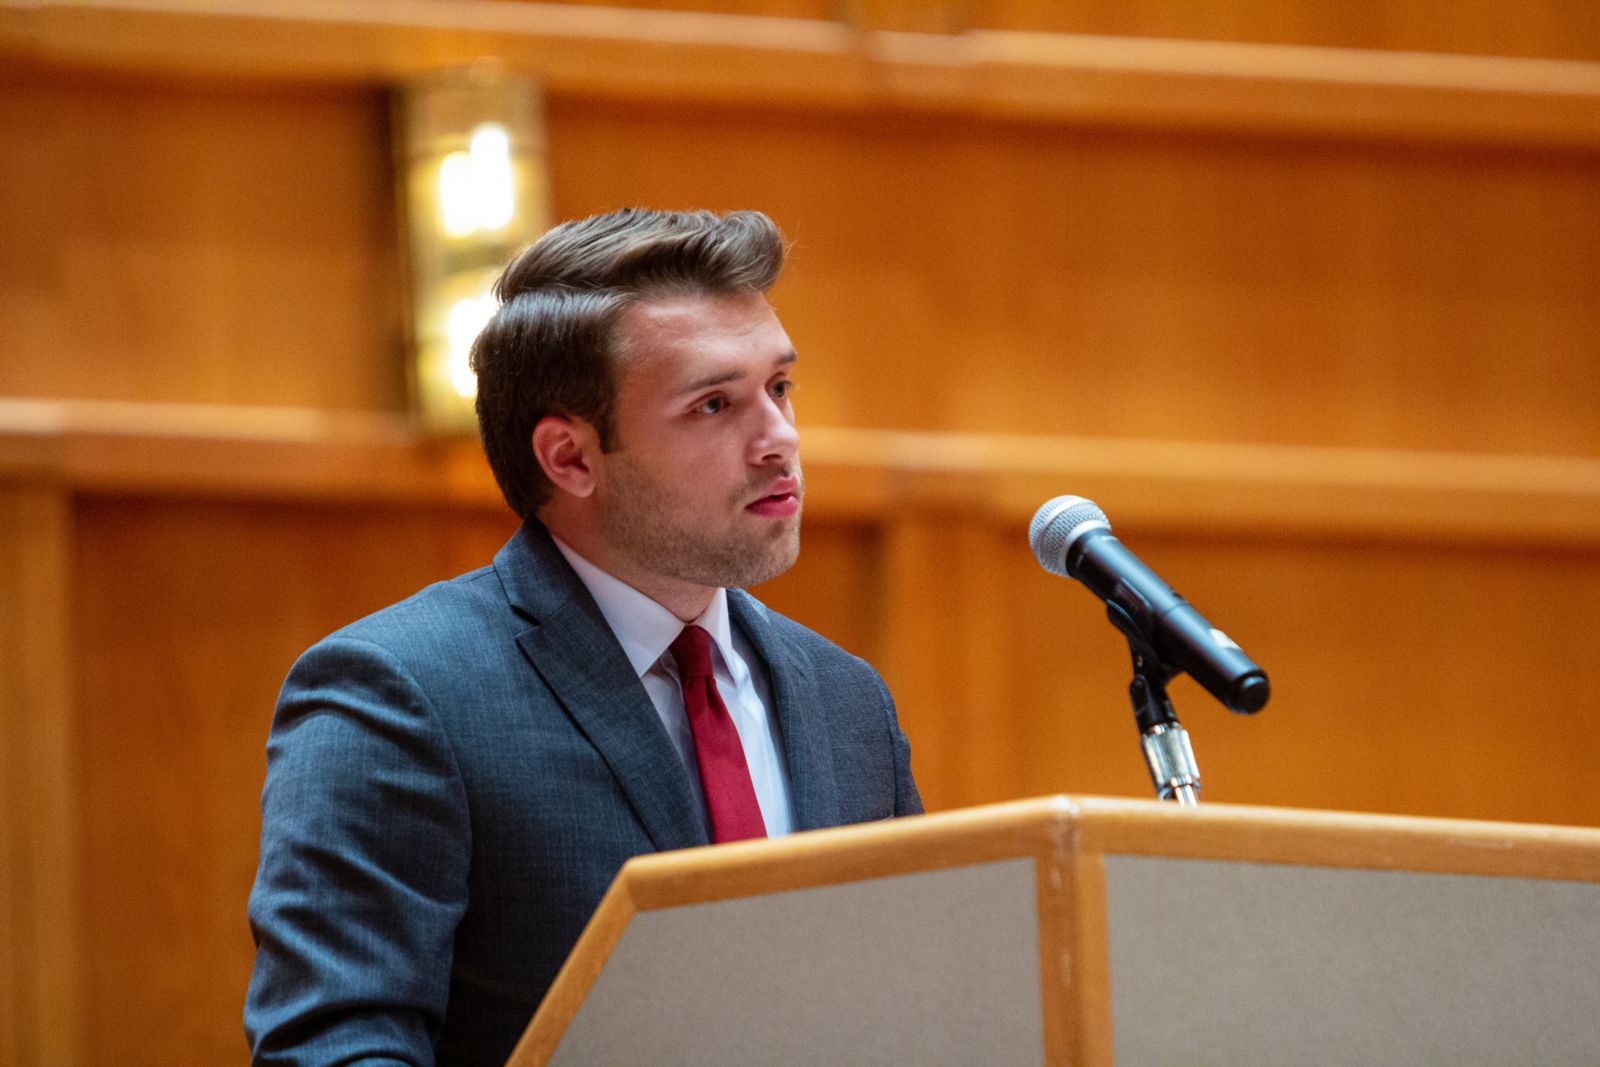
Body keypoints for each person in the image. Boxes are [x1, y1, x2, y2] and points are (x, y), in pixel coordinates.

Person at [244, 208, 922, 1066]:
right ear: (569, 457)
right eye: (715, 404)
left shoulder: (847, 699)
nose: (779, 440)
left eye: (779, 389)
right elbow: (335, 1049)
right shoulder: (400, 693)